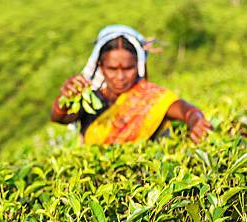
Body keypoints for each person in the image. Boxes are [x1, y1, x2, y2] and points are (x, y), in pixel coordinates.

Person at [51, 25, 211, 144]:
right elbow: (60, 117)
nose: (120, 77)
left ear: (138, 65)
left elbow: (184, 109)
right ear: (100, 66)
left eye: (128, 68)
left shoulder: (149, 96)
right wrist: (65, 98)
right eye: (112, 69)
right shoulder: (92, 98)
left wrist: (195, 119)